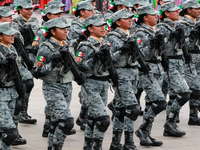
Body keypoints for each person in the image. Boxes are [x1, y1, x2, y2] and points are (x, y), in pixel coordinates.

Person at [32, 17, 75, 150]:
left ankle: (51, 147)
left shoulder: (67, 45)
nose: (65, 31)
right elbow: (37, 71)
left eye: (66, 28)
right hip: (52, 87)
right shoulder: (46, 48)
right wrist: (52, 63)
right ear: (53, 31)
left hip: (67, 86)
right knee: (66, 122)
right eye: (62, 29)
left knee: (56, 122)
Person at [106, 9, 140, 150]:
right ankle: (129, 142)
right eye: (126, 18)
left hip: (133, 74)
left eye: (130, 18)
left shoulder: (130, 35)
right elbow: (109, 59)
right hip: (121, 75)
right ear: (118, 22)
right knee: (133, 109)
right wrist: (123, 50)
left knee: (120, 109)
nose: (130, 20)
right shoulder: (112, 37)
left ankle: (115, 143)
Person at [156, 1, 191, 137]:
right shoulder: (162, 28)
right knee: (184, 93)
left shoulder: (177, 26)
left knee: (175, 95)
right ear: (166, 13)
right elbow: (158, 45)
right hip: (168, 63)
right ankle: (169, 122)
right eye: (174, 11)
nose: (177, 12)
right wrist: (170, 37)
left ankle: (170, 125)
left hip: (179, 62)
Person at [134, 4, 167, 146]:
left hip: (157, 68)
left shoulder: (155, 30)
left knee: (150, 104)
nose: (156, 17)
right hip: (147, 70)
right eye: (153, 15)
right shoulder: (140, 33)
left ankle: (146, 134)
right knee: (160, 102)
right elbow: (138, 54)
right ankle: (142, 130)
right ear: (145, 18)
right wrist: (152, 45)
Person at [76, 14, 110, 150]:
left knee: (93, 118)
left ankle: (88, 146)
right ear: (90, 28)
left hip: (104, 84)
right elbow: (80, 67)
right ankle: (97, 147)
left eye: (104, 25)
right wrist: (94, 58)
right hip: (90, 85)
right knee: (103, 119)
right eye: (99, 26)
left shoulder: (105, 43)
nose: (103, 28)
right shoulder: (85, 46)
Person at [0, 7, 29, 146]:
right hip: (1, 94)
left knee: (8, 133)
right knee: (10, 132)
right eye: (8, 34)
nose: (13, 36)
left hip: (13, 93)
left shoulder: (12, 49)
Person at [68, 0, 95, 131]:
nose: (92, 12)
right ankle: (84, 118)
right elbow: (70, 42)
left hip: (93, 58)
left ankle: (83, 116)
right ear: (82, 12)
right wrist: (79, 39)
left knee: (91, 89)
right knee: (88, 88)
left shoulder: (94, 22)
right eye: (89, 10)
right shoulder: (75, 26)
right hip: (81, 59)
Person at [13, 0, 40, 124]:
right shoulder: (15, 23)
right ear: (19, 9)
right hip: (22, 56)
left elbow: (39, 36)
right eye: (26, 9)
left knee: (29, 84)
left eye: (31, 9)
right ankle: (20, 112)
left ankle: (23, 112)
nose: (29, 11)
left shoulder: (35, 21)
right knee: (27, 83)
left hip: (34, 55)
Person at [178, 0, 200, 125]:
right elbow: (180, 43)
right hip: (188, 58)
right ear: (189, 10)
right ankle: (172, 117)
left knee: (197, 89)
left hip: (198, 57)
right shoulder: (182, 24)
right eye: (196, 9)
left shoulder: (198, 22)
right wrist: (192, 35)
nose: (199, 11)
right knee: (195, 88)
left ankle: (193, 116)